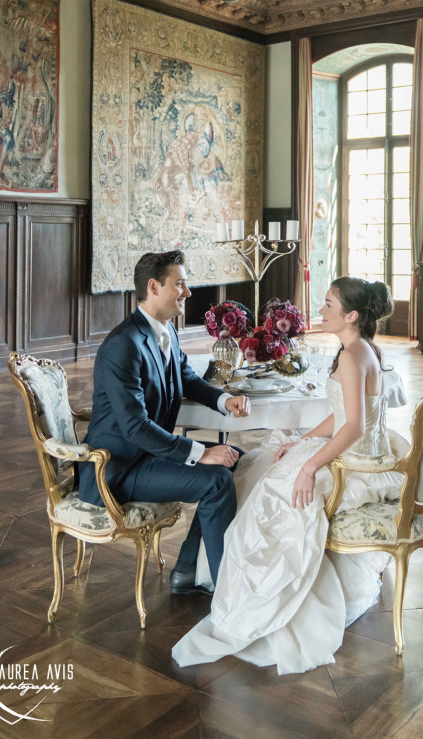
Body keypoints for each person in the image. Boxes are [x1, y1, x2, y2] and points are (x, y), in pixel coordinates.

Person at [172, 276, 409, 675]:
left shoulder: (353, 356)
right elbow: (344, 415)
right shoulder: (361, 349)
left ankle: (248, 594)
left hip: (356, 463)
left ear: (351, 315)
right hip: (363, 452)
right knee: (262, 465)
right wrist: (304, 441)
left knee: (270, 490)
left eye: (329, 304)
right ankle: (217, 573)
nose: (322, 310)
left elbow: (353, 427)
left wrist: (309, 466)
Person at [77, 250, 250, 594]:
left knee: (235, 459)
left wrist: (222, 400)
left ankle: (187, 570)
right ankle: (227, 591)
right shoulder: (123, 344)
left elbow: (186, 377)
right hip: (118, 467)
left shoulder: (164, 329)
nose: (188, 292)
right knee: (216, 480)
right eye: (180, 284)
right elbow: (135, 427)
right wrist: (201, 453)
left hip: (147, 455)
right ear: (154, 287)